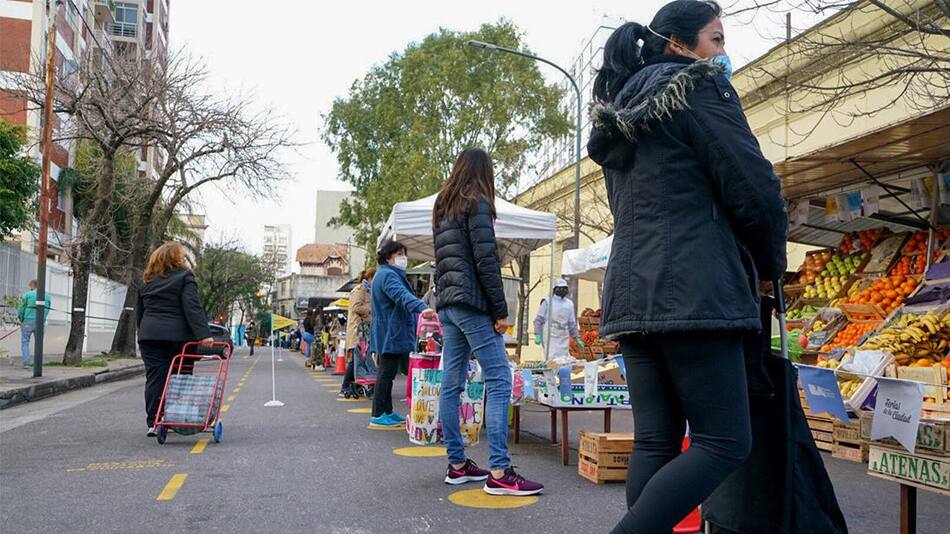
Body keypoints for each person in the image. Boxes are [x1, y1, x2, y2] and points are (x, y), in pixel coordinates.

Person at [587, 2, 788, 532]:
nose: (723, 52)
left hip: (631, 295)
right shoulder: (698, 87)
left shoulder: (621, 117)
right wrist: (771, 265)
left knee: (656, 440)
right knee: (724, 441)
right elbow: (754, 187)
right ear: (679, 44)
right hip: (696, 292)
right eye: (716, 39)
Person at [432, 147, 544, 496]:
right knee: (499, 377)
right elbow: (486, 261)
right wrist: (500, 311)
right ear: (484, 172)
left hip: (447, 304)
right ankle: (499, 470)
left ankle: (457, 464)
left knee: (451, 383)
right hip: (471, 303)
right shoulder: (476, 201)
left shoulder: (442, 207)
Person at [136, 242, 214, 437]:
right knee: (181, 376)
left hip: (150, 336)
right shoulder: (184, 277)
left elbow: (140, 312)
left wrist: (142, 333)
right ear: (177, 258)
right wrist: (203, 334)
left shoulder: (146, 280)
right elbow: (192, 307)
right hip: (178, 338)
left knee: (155, 378)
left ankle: (153, 421)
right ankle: (178, 416)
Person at [369, 239, 432, 428]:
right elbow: (401, 296)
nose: (403, 258)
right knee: (387, 373)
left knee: (390, 373)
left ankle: (386, 412)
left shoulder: (387, 274)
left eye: (404, 254)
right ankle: (379, 414)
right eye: (399, 254)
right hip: (392, 331)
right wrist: (423, 308)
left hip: (392, 331)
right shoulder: (388, 276)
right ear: (388, 257)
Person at [342, 268, 375, 398]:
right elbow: (356, 307)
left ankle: (352, 385)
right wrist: (371, 309)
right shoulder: (360, 290)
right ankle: (347, 385)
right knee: (358, 357)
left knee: (358, 358)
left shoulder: (368, 291)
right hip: (358, 329)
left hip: (364, 329)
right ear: (370, 278)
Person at [533, 279, 584, 358]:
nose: (562, 290)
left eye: (564, 288)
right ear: (554, 289)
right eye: (559, 288)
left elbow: (572, 323)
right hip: (550, 338)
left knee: (564, 360)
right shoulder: (547, 302)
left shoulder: (569, 304)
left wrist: (577, 337)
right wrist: (538, 334)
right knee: (552, 360)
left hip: (564, 337)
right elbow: (538, 320)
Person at [17, 279, 50, 369]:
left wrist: (21, 318)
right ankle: (38, 363)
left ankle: (26, 363)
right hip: (40, 322)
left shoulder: (27, 295)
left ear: (32, 285)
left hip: (27, 321)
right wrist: (43, 318)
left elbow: (21, 308)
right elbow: (47, 309)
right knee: (39, 343)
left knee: (25, 342)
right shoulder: (47, 296)